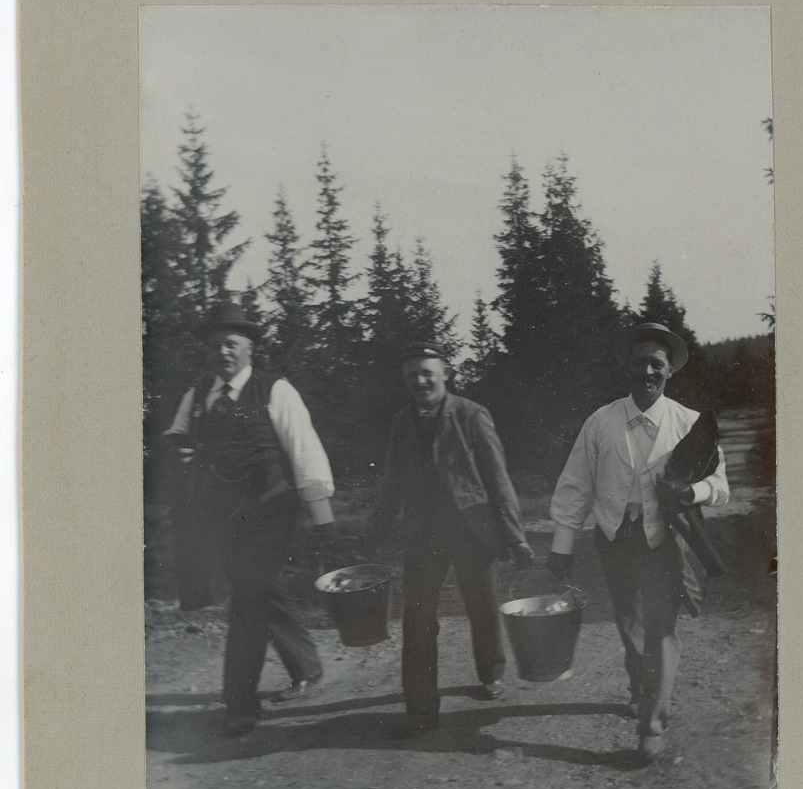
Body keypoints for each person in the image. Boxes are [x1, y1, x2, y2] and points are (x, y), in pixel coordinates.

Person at [547, 323, 729, 763]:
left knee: (661, 626)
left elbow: (721, 486)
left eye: (656, 364)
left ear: (670, 370)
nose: (648, 371)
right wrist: (562, 544)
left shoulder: (689, 423)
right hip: (615, 537)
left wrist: (691, 492)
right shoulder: (601, 422)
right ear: (626, 367)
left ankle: (652, 725)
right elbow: (576, 484)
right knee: (628, 621)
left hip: (664, 540)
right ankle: (640, 687)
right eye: (639, 363)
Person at [164, 302, 336, 736]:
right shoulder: (197, 396)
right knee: (261, 590)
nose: (222, 352)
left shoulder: (275, 390)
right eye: (215, 346)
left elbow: (306, 454)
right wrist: (177, 451)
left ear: (250, 348)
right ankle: (307, 666)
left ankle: (240, 703)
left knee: (247, 599)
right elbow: (174, 437)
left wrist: (324, 522)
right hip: (221, 516)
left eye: (231, 344)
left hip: (270, 511)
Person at [366, 342, 534, 736]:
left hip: (472, 530)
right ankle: (421, 709)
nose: (420, 381)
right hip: (423, 533)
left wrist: (515, 536)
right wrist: (373, 531)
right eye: (412, 376)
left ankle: (491, 672)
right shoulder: (402, 422)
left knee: (482, 606)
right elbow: (392, 480)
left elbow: (498, 478)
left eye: (427, 373)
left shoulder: (471, 415)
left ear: (445, 373)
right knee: (418, 619)